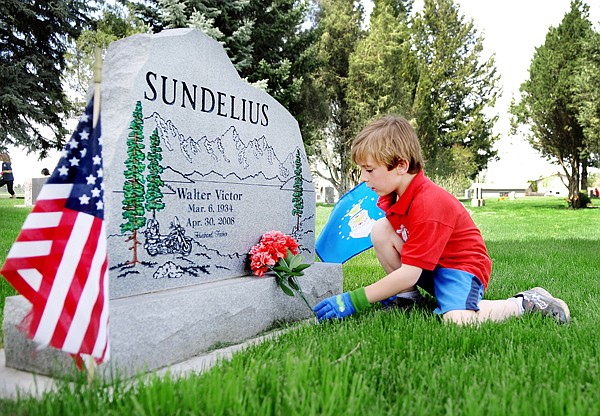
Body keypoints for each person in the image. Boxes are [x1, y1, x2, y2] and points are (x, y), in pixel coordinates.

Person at [313, 115, 570, 325]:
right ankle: (407, 299)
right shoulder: (392, 195)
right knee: (380, 228)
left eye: (369, 170)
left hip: (460, 268)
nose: (364, 178)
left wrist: (353, 300)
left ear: (401, 166)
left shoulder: (428, 203)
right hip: (430, 264)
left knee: (458, 320)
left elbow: (409, 273)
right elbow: (405, 255)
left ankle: (527, 302)